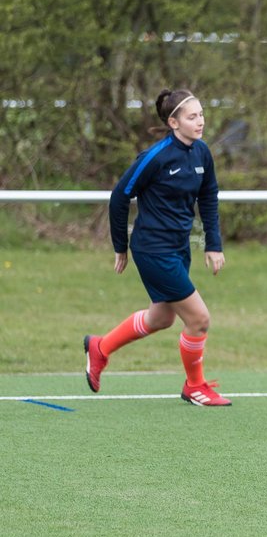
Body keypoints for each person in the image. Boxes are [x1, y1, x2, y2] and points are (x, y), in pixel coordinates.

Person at [84, 89, 230, 406]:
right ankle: (195, 386)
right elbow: (120, 197)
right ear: (173, 122)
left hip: (178, 249)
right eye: (192, 117)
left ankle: (100, 347)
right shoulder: (155, 157)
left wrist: (213, 244)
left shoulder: (202, 153)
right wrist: (120, 247)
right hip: (152, 249)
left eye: (202, 114)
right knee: (199, 319)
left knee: (161, 318)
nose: (200, 121)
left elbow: (208, 198)